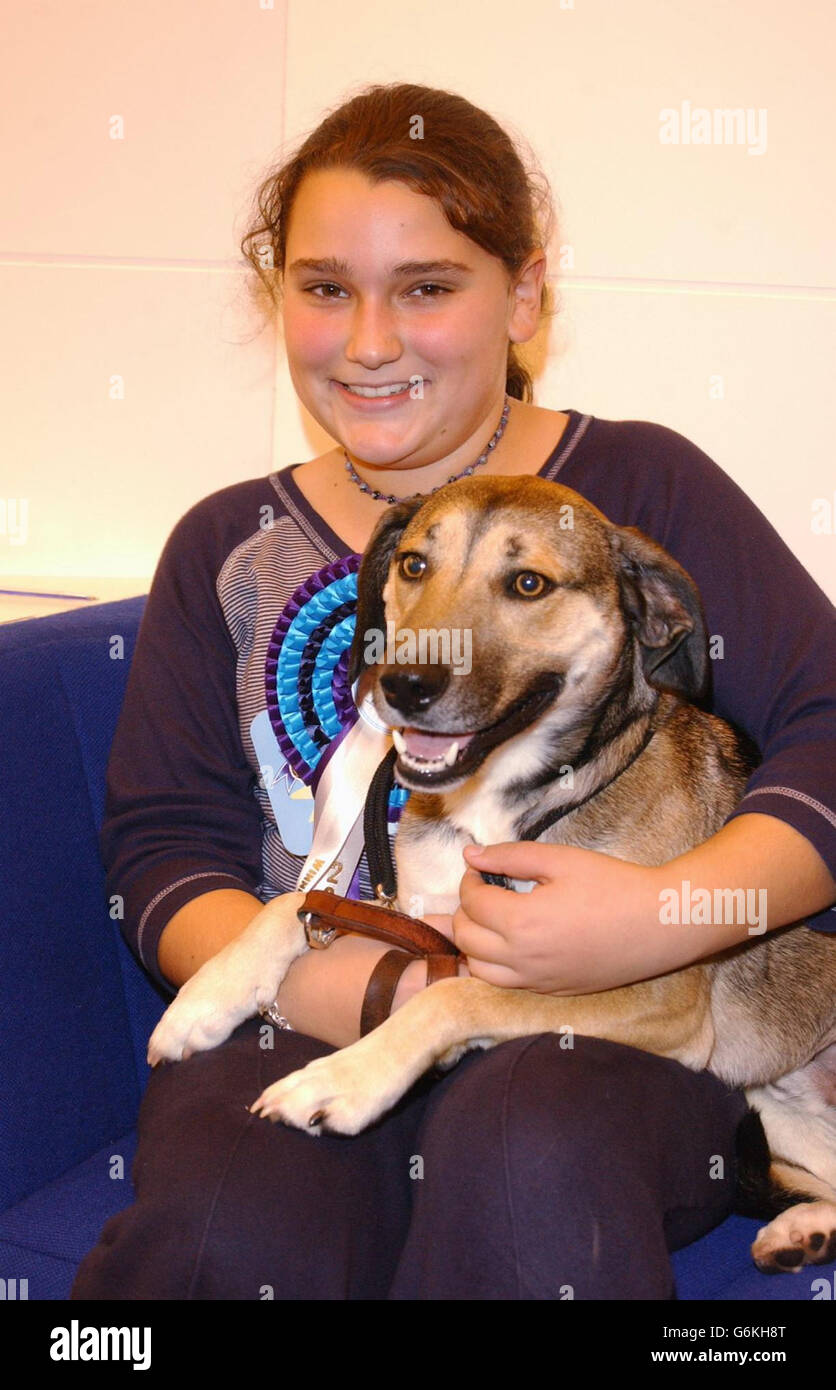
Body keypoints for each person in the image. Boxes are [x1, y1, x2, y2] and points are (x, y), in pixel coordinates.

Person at [70, 82, 836, 1301]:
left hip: (600, 1033)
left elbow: (826, 725)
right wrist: (369, 983)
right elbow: (164, 844)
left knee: (533, 1172)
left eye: (425, 287)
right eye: (324, 288)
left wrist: (660, 917)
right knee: (227, 1229)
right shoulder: (225, 543)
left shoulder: (642, 487)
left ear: (524, 293)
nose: (369, 338)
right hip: (302, 998)